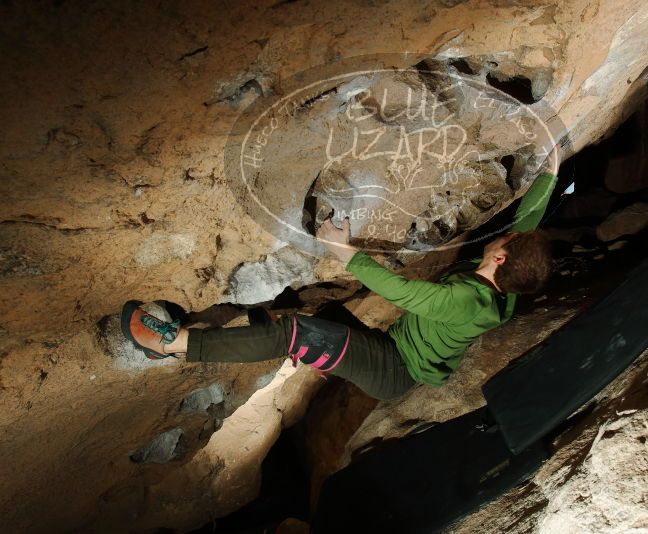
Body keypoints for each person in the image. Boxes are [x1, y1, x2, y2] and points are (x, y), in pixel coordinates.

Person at [120, 150, 560, 401]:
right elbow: (526, 227)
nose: (504, 238)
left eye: (505, 243)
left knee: (294, 335)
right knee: (329, 311)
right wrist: (549, 178)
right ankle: (310, 351)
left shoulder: (467, 302)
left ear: (500, 260)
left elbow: (400, 291)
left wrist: (343, 249)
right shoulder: (507, 288)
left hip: (393, 367)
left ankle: (169, 345)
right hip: (395, 350)